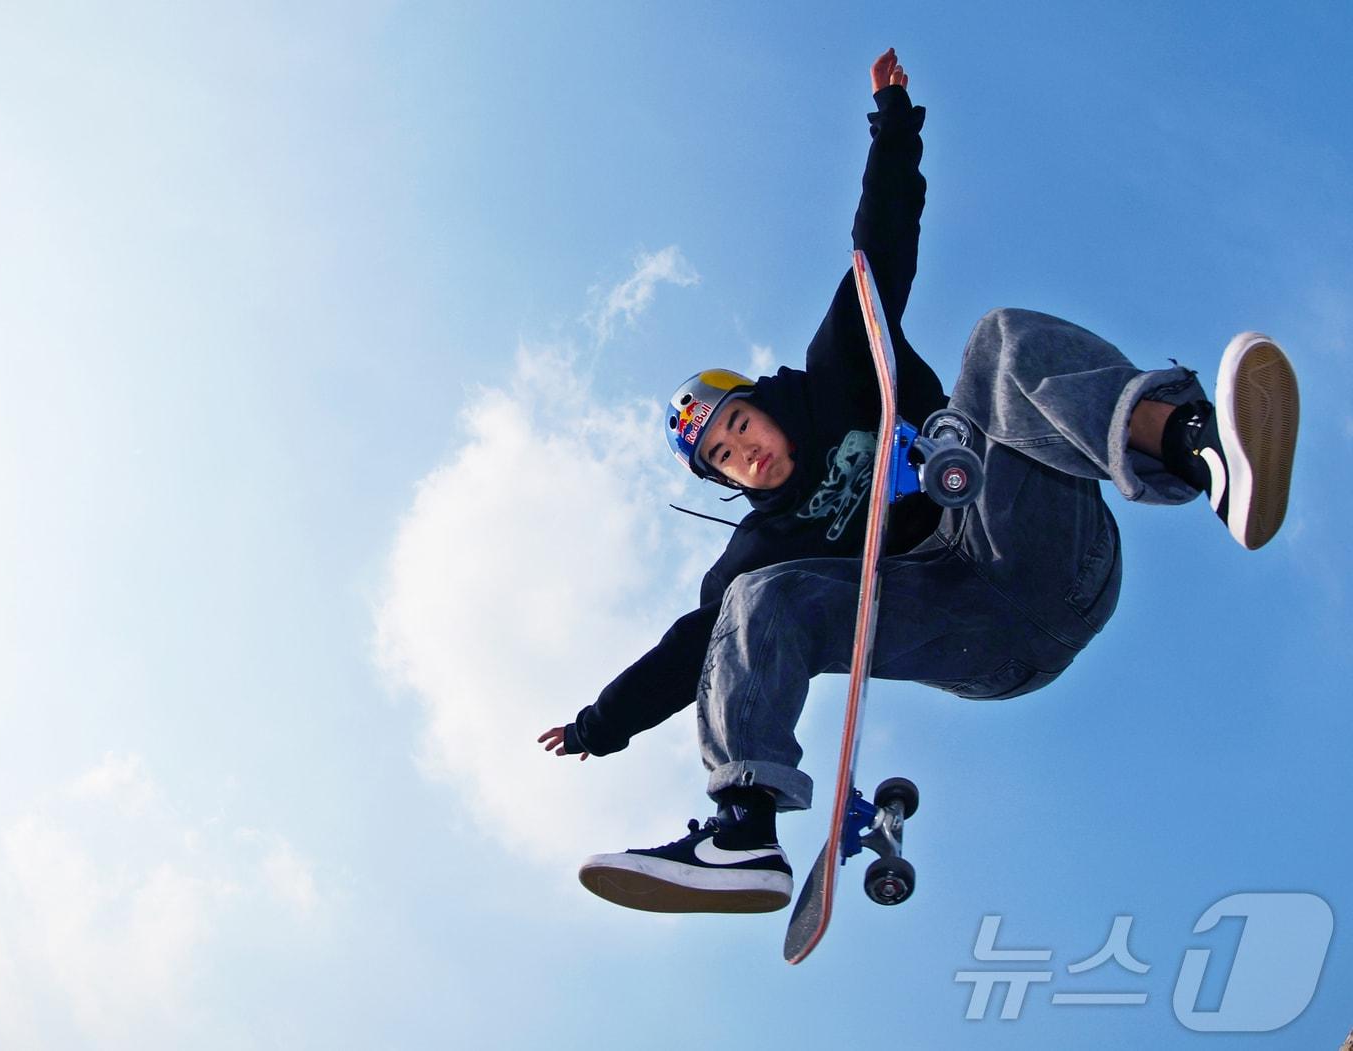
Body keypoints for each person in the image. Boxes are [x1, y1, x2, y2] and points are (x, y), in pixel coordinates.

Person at [537, 48, 1299, 914]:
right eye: (722, 458)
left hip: (1037, 542)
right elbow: (691, 650)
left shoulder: (838, 372)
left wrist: (894, 128)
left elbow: (881, 249)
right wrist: (604, 723)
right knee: (755, 603)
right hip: (966, 635)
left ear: (761, 403)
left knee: (997, 342)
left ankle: (1197, 447)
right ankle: (743, 830)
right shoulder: (764, 542)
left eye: (738, 425)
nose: (743, 453)